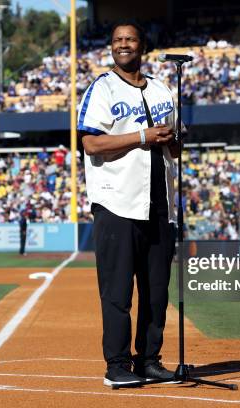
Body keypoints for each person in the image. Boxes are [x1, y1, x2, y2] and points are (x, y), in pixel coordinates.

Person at [79, 20, 179, 388]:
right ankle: (117, 365)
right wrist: (143, 135)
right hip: (116, 203)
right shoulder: (101, 88)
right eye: (118, 40)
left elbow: (174, 149)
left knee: (156, 292)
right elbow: (91, 144)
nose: (124, 44)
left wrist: (173, 139)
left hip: (158, 205)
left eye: (130, 39)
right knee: (118, 293)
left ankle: (149, 360)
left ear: (142, 45)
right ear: (111, 47)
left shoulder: (162, 91)